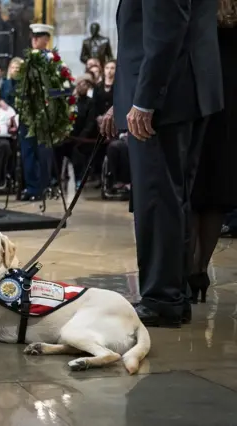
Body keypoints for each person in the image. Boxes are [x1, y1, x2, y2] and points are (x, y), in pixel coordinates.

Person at [101, 0, 223, 327]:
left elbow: (165, 30)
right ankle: (174, 294)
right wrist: (125, 99)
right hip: (182, 92)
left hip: (165, 99)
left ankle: (161, 299)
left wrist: (144, 99)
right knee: (173, 200)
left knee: (157, 200)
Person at [189, 0, 237, 303]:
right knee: (216, 193)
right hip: (231, 110)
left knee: (192, 189)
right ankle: (200, 269)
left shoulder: (199, 10)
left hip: (201, 100)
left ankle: (186, 271)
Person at [20, 23, 55, 201]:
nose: (34, 40)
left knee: (43, 152)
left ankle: (43, 186)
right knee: (28, 151)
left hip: (44, 112)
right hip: (27, 113)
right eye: (33, 36)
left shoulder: (52, 60)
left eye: (39, 36)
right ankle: (31, 188)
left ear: (46, 39)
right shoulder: (26, 60)